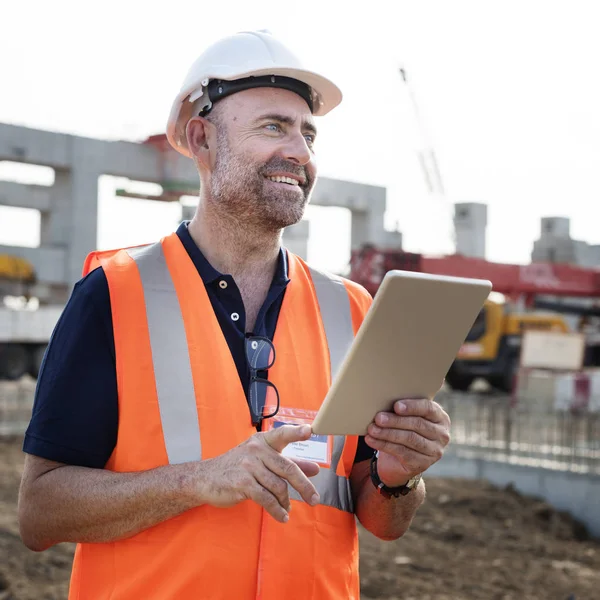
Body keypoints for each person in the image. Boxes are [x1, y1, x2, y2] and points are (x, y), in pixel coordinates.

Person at [18, 30, 451, 599]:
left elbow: (381, 521)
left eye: (308, 133)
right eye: (273, 126)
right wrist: (199, 480)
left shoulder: (352, 310)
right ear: (202, 139)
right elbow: (41, 513)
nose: (299, 151)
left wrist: (400, 477)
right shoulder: (115, 296)